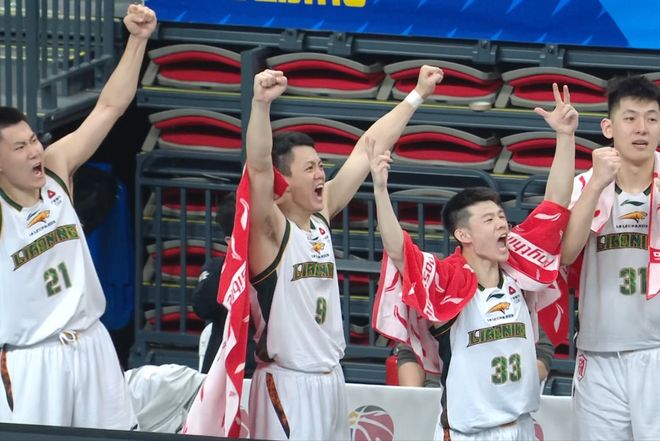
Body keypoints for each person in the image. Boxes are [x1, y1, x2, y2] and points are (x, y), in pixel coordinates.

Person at [245, 65, 443, 440]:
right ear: (284, 181)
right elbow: (257, 168)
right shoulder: (270, 231)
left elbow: (369, 147)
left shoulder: (320, 216)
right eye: (310, 168)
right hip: (288, 382)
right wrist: (260, 105)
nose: (321, 174)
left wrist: (417, 95)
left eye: (321, 165)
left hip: (332, 377)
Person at [370, 83, 576, 440]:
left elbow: (554, 205)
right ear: (463, 234)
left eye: (502, 217)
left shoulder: (518, 268)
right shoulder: (448, 280)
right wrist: (379, 189)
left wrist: (565, 136)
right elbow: (400, 251)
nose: (502, 225)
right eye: (489, 220)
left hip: (523, 427)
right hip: (470, 432)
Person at [0, 4, 156, 429]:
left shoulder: (56, 168)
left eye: (33, 140)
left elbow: (109, 107)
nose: (34, 151)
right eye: (19, 147)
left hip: (90, 341)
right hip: (32, 360)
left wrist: (137, 40)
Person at [560, 75, 660, 440]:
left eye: (652, 118)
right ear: (608, 127)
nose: (641, 128)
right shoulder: (586, 183)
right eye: (630, 118)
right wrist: (597, 185)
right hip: (599, 353)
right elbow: (566, 253)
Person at [192, 193, 256, 376]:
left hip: (264, 373)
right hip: (222, 373)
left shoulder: (279, 269)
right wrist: (232, 263)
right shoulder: (216, 268)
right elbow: (202, 308)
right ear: (230, 241)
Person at [396, 327, 554, 387]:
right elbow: (409, 354)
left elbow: (542, 356)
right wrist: (417, 400)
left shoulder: (508, 304)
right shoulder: (427, 307)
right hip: (435, 397)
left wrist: (500, 382)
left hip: (499, 399)